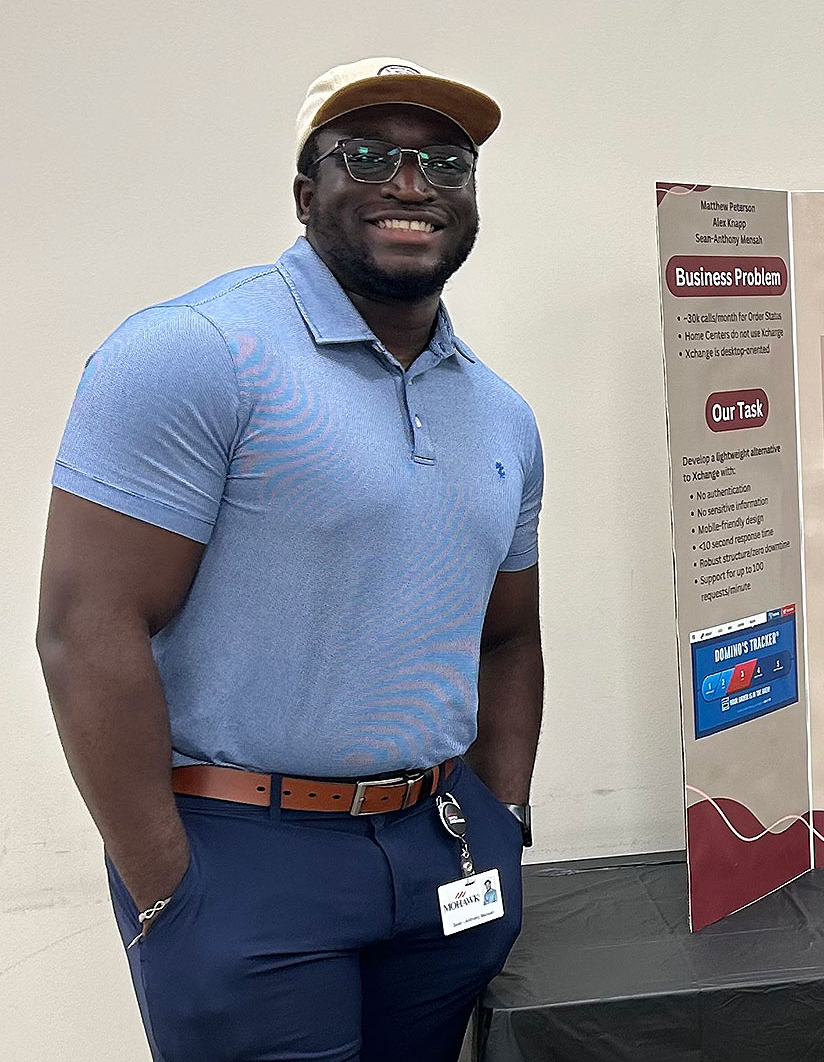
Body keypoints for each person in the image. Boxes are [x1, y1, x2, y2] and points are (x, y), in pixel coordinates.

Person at [37, 57, 543, 1062]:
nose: (410, 183)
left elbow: (510, 632)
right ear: (307, 192)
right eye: (369, 155)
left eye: (444, 161)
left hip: (440, 845)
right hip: (242, 856)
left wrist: (505, 816)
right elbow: (85, 626)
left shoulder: (499, 409)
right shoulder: (197, 350)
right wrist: (166, 879)